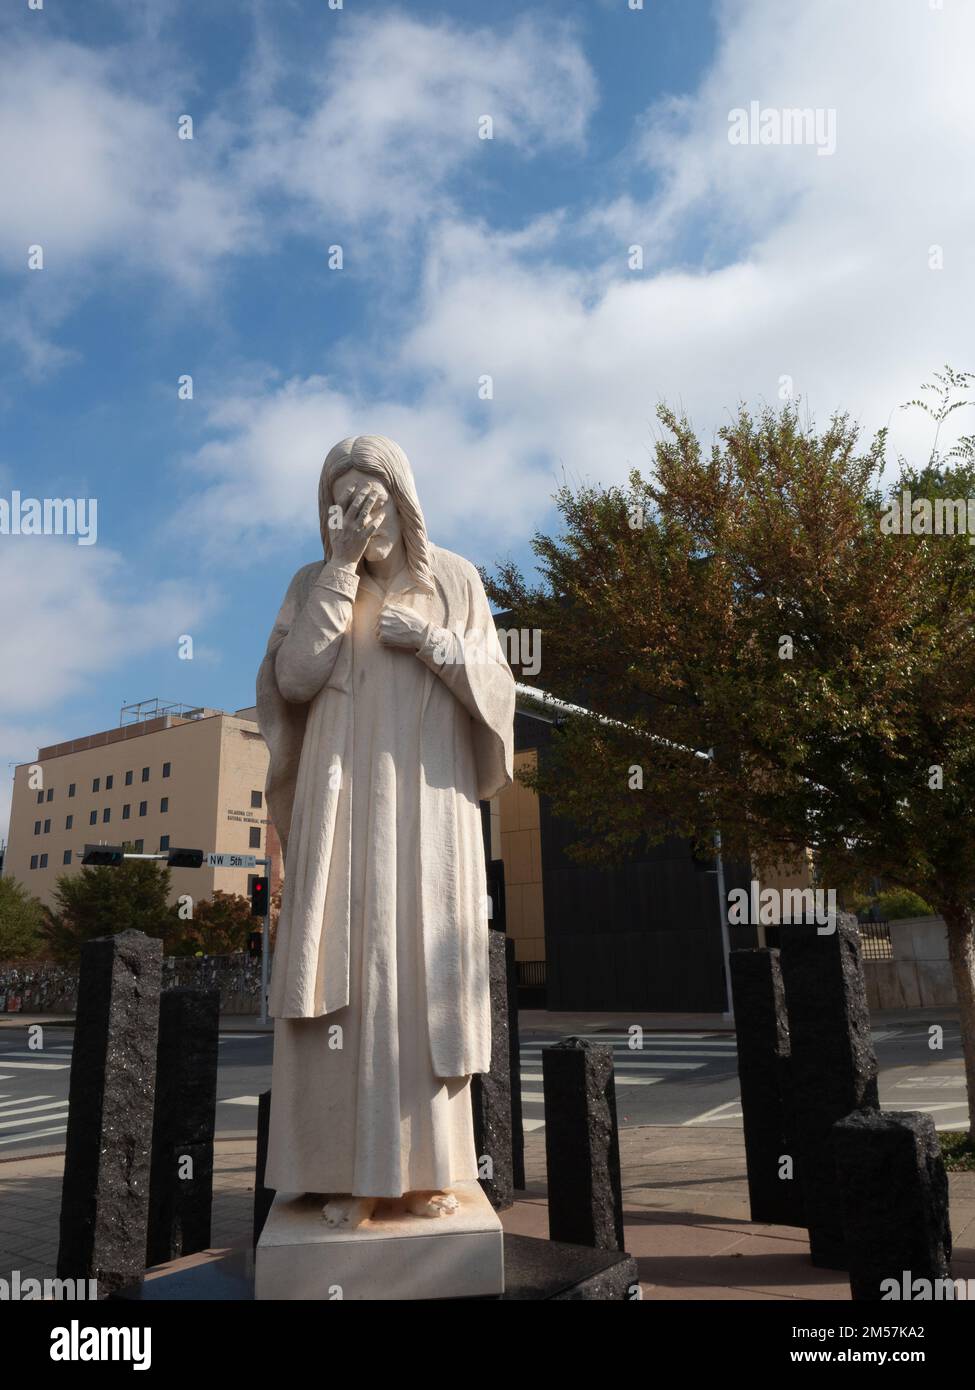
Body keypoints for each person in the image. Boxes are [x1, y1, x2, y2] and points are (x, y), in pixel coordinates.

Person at [257, 434, 514, 1227]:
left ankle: (432, 1167)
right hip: (341, 804)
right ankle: (341, 1170)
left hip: (430, 807)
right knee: (348, 976)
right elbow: (294, 678)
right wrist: (338, 568)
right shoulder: (313, 580)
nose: (357, 516)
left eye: (368, 500)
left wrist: (435, 646)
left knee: (424, 979)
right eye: (340, 503)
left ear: (401, 500)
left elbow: (499, 692)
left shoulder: (456, 581)